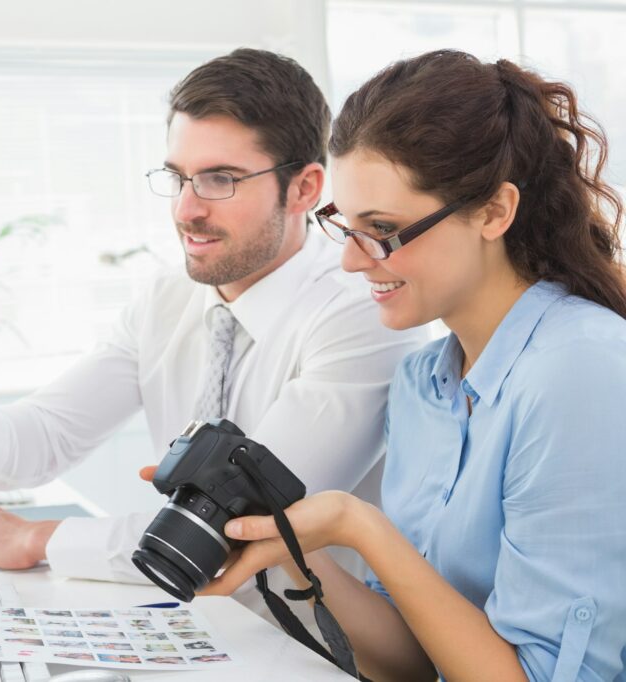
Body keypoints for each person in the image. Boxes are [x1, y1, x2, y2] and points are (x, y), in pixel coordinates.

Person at [0, 48, 424, 620]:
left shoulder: (360, 313)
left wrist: (43, 539)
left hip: (312, 648)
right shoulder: (167, 300)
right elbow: (44, 437)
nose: (186, 210)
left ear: (304, 188)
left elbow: (235, 527)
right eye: (178, 177)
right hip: (195, 627)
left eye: (220, 179)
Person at [191, 50, 626, 680]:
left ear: (494, 212)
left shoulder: (581, 371)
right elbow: (420, 661)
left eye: (384, 228)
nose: (352, 261)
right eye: (344, 225)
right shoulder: (423, 387)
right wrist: (285, 544)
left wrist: (359, 526)